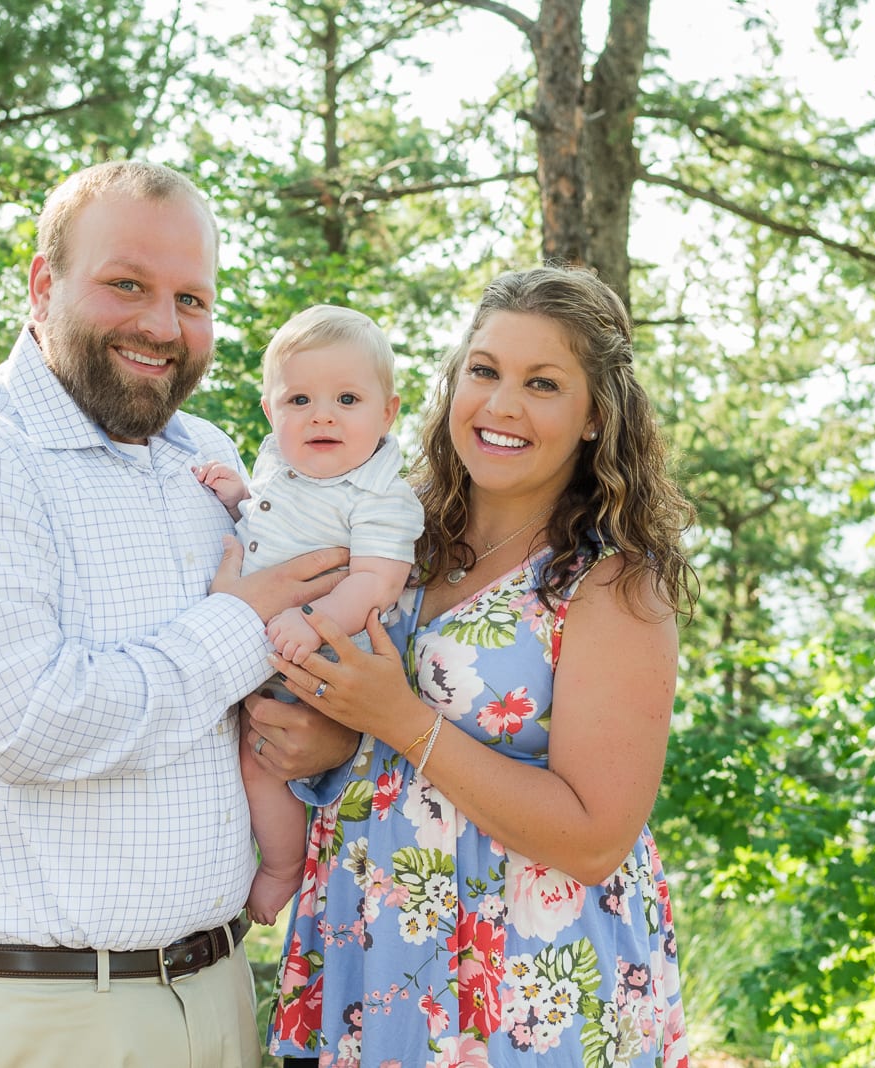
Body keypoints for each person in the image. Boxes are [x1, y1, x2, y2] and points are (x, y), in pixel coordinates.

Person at [0, 160, 360, 1068]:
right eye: (126, 284)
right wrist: (244, 624)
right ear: (44, 285)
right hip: (50, 1019)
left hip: (221, 998)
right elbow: (27, 723)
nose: (163, 327)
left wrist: (323, 740)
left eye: (192, 299)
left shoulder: (204, 455)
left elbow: (251, 695)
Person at [265, 265, 697, 1066]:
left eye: (542, 384)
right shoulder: (393, 531)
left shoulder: (611, 582)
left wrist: (397, 720)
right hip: (369, 954)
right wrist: (336, 748)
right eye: (485, 371)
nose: (501, 405)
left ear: (596, 417)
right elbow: (344, 722)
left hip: (527, 994)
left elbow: (598, 837)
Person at [193, 304, 425, 925]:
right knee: (237, 756)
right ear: (271, 411)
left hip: (318, 657)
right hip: (263, 651)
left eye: (347, 399)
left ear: (387, 413)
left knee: (263, 759)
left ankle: (282, 866)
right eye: (299, 400)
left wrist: (315, 616)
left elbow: (378, 581)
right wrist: (239, 496)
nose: (321, 414)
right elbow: (268, 518)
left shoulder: (381, 495)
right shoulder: (278, 465)